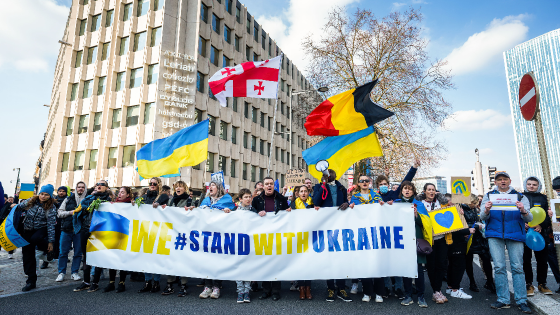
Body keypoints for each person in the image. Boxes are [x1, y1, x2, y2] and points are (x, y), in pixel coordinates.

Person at [480, 171, 533, 314]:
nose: (502, 181)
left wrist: (523, 210)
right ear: (495, 182)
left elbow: (529, 218)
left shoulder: (520, 196)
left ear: (509, 181)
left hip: (515, 234)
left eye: (504, 179)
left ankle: (521, 300)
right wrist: (486, 209)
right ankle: (503, 299)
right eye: (499, 180)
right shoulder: (489, 196)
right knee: (499, 267)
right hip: (495, 235)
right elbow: (482, 216)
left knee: (517, 267)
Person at [311, 169, 352, 303]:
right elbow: (316, 202)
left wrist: (346, 203)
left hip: (340, 226)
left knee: (340, 256)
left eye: (331, 173)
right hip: (326, 227)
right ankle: (330, 288)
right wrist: (323, 186)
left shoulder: (341, 188)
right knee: (329, 257)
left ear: (335, 175)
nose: (329, 175)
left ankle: (341, 288)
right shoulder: (318, 187)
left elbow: (346, 202)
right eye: (326, 174)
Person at [349, 174, 387, 303]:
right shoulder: (355, 198)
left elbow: (384, 212)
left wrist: (384, 205)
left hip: (376, 233)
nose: (364, 182)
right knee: (365, 263)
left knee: (377, 262)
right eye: (362, 181)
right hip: (363, 234)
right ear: (358, 184)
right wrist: (351, 209)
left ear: (370, 183)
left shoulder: (377, 196)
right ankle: (367, 292)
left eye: (367, 181)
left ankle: (379, 293)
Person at [252, 177, 291, 301]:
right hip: (262, 236)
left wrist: (289, 211)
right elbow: (251, 214)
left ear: (274, 186)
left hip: (277, 236)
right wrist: (257, 212)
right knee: (265, 264)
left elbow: (287, 214)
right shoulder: (257, 200)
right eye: (267, 184)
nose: (269, 186)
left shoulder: (281, 198)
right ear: (263, 186)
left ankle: (275, 291)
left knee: (276, 264)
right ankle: (266, 290)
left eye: (271, 184)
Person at [195, 180, 236, 299]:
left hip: (220, 235)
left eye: (213, 185)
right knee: (207, 260)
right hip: (207, 235)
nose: (210, 187)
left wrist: (229, 211)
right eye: (210, 186)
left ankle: (217, 286)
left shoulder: (227, 200)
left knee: (217, 260)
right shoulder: (206, 201)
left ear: (219, 188)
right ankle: (207, 286)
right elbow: (199, 213)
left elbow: (234, 212)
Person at [73, 180, 113, 293]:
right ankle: (86, 282)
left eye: (102, 184)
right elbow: (80, 209)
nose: (99, 186)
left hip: (99, 231)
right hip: (86, 229)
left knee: (98, 256)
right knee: (86, 256)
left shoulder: (109, 201)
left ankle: (95, 282)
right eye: (97, 184)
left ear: (107, 188)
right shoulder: (89, 199)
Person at [19, 184, 57, 291]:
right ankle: (31, 281)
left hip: (41, 229)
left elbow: (50, 225)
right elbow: (20, 207)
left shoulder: (51, 207)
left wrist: (50, 242)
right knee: (27, 255)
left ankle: (48, 250)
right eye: (41, 194)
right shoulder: (31, 201)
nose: (43, 196)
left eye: (46, 194)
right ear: (39, 193)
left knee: (35, 239)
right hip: (27, 229)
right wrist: (14, 206)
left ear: (50, 196)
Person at [417, 183, 450, 304]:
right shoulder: (419, 204)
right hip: (428, 239)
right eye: (429, 190)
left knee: (441, 265)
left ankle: (437, 290)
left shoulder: (442, 203)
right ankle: (436, 291)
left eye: (433, 190)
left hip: (442, 238)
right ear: (424, 191)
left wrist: (459, 211)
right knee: (431, 266)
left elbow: (452, 214)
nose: (431, 192)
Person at [397, 181, 428, 308]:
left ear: (413, 191)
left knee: (419, 268)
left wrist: (416, 215)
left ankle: (421, 296)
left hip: (416, 239)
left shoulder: (419, 204)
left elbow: (425, 223)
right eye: (405, 188)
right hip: (403, 239)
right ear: (402, 190)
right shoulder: (396, 204)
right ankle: (408, 295)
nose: (407, 191)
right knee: (406, 268)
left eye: (410, 189)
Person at [158, 181, 191, 297]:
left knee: (183, 260)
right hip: (172, 233)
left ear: (185, 189)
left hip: (183, 234)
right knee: (171, 259)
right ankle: (170, 284)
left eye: (180, 186)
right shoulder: (171, 200)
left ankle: (183, 285)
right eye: (176, 186)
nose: (178, 188)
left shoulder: (189, 200)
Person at [100, 186, 134, 293]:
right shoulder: (113, 204)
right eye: (119, 192)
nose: (120, 194)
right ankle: (111, 282)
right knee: (113, 258)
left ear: (128, 195)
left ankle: (122, 282)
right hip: (114, 233)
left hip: (125, 234)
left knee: (122, 258)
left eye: (123, 192)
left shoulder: (131, 205)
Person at [522, 176, 552, 296]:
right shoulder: (520, 197)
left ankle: (542, 284)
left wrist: (541, 225)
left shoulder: (545, 198)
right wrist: (522, 224)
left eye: (534, 184)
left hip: (541, 234)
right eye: (529, 184)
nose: (531, 186)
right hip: (525, 233)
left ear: (538, 186)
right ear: (526, 185)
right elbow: (516, 213)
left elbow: (549, 215)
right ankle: (528, 284)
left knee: (542, 260)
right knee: (526, 260)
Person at [137, 177, 168, 293]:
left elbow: (164, 198)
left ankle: (157, 282)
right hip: (145, 229)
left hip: (159, 229)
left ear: (159, 185)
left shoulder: (162, 196)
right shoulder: (144, 197)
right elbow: (137, 204)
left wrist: (158, 203)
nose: (152, 185)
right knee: (146, 256)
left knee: (157, 256)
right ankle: (147, 282)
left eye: (155, 183)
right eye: (151, 183)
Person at [462, 194, 495, 294]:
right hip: (468, 237)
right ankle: (472, 282)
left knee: (486, 259)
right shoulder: (460, 209)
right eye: (475, 203)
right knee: (468, 261)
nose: (476, 205)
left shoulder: (473, 209)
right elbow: (460, 224)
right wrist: (477, 227)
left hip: (478, 237)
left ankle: (490, 282)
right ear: (470, 202)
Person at [56, 181, 87, 282]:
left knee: (78, 253)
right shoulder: (68, 199)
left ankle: (74, 272)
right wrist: (70, 212)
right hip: (67, 229)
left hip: (80, 231)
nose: (80, 189)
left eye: (82, 187)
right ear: (76, 188)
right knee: (63, 252)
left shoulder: (88, 200)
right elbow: (59, 213)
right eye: (79, 187)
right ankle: (61, 272)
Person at [235, 188, 258, 303]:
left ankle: (247, 292)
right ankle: (240, 292)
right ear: (240, 199)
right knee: (239, 267)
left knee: (248, 267)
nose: (248, 199)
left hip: (250, 243)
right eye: (246, 197)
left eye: (250, 197)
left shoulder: (254, 211)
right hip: (238, 243)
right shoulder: (235, 212)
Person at [291, 185, 314, 300]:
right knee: (300, 263)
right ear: (298, 194)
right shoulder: (293, 204)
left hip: (310, 236)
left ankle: (308, 288)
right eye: (301, 191)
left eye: (305, 191)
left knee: (308, 263)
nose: (304, 193)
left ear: (308, 192)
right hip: (298, 236)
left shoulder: (313, 203)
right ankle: (301, 288)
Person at [41, 186, 68, 270]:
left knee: (60, 244)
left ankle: (58, 261)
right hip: (51, 225)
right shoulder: (52, 200)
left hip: (63, 225)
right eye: (60, 191)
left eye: (63, 191)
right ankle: (46, 261)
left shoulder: (68, 200)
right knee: (49, 243)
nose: (61, 193)